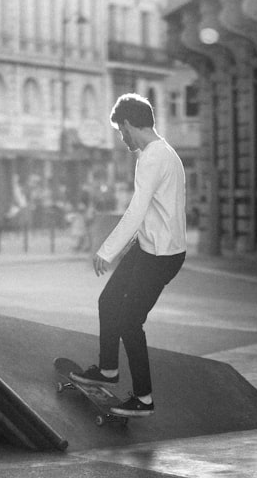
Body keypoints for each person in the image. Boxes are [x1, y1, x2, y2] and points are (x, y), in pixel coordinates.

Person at [71, 93, 187, 418]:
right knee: (108, 301)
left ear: (127, 124)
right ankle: (108, 370)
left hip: (160, 255)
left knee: (130, 322)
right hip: (150, 247)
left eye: (120, 131)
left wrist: (107, 251)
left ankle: (144, 398)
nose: (121, 139)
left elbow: (136, 211)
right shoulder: (166, 153)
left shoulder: (151, 158)